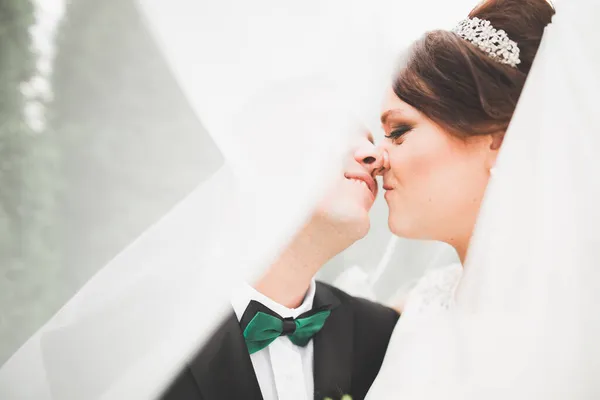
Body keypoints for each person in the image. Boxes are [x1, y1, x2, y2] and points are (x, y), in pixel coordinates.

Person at [366, 0, 600, 397]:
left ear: (500, 141)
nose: (378, 158)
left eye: (400, 130)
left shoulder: (579, 321)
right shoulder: (419, 306)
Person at [161, 120, 399, 400]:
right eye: (341, 131)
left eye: (370, 139)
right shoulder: (154, 330)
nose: (376, 156)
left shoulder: (384, 334)